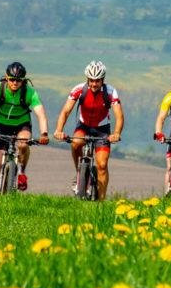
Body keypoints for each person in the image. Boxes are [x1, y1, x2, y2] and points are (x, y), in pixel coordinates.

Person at [53, 60, 125, 201]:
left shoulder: (110, 92)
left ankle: (102, 202)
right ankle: (79, 172)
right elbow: (66, 111)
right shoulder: (79, 89)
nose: (94, 84)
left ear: (102, 80)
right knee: (76, 143)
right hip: (84, 126)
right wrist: (59, 130)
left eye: (97, 81)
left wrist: (116, 133)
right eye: (91, 80)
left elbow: (119, 116)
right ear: (87, 79)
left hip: (102, 130)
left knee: (102, 165)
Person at [0, 61, 49, 194]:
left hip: (22, 124)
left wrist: (44, 133)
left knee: (23, 144)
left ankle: (21, 170)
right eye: (12, 79)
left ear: (23, 80)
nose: (15, 83)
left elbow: (41, 114)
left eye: (19, 80)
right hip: (3, 125)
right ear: (6, 77)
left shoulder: (29, 92)